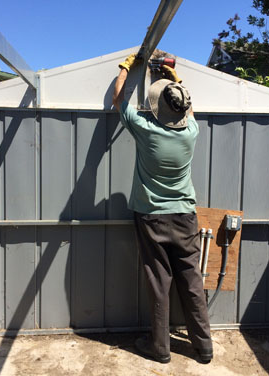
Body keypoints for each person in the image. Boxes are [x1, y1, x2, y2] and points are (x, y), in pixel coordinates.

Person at [112, 53, 213, 364]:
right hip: (185, 217)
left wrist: (125, 68)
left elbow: (118, 99)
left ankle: (160, 348)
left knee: (160, 281)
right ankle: (205, 348)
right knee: (191, 280)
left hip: (152, 216)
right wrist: (175, 77)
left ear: (157, 108)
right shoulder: (191, 133)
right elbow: (190, 108)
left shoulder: (146, 129)